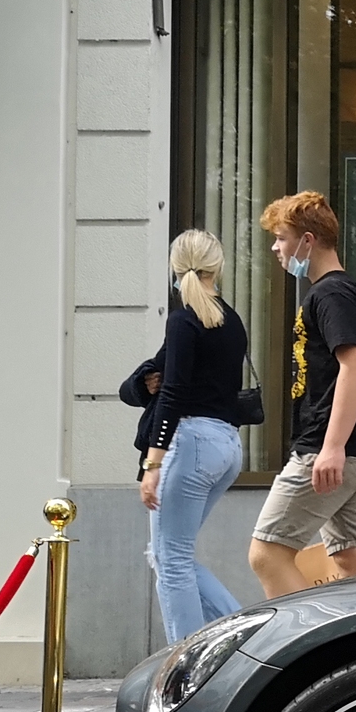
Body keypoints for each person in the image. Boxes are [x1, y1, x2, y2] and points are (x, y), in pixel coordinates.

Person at [248, 191, 356, 594]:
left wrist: (331, 447)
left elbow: (354, 364)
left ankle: (299, 652)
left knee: (267, 554)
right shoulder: (342, 291)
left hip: (328, 449)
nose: (276, 247)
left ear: (307, 240)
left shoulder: (329, 294)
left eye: (282, 236)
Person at [138, 230, 251, 641]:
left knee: (170, 559)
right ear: (216, 266)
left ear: (175, 266)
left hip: (192, 444)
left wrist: (153, 463)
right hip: (227, 445)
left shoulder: (185, 320)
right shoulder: (231, 320)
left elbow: (174, 392)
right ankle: (240, 631)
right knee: (172, 555)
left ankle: (183, 661)